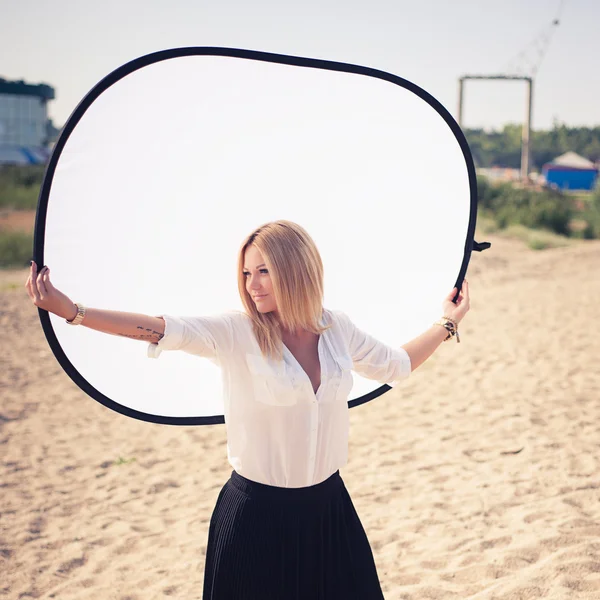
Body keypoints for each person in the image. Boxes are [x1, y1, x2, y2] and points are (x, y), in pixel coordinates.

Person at [25, 219, 470, 599]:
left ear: (297, 271)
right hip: (256, 519)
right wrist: (73, 311)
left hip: (329, 512)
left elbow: (397, 364)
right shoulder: (236, 333)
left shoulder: (336, 328)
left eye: (264, 271)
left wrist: (446, 322)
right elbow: (158, 329)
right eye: (246, 273)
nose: (251, 285)